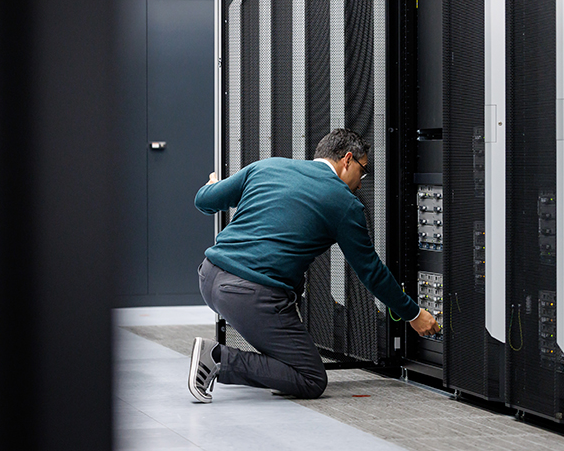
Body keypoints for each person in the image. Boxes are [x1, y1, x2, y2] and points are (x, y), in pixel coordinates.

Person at [188, 128, 440, 403]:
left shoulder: (267, 167)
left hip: (209, 276)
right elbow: (371, 272)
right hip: (249, 294)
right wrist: (413, 314)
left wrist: (213, 185)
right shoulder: (344, 203)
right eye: (363, 171)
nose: (360, 183)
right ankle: (217, 358)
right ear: (347, 160)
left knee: (292, 307)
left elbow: (204, 201)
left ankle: (277, 371)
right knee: (311, 378)